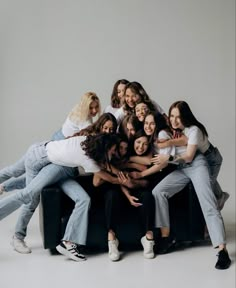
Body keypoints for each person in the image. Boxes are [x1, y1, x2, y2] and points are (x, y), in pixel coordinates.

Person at [0, 92, 102, 254]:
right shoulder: (83, 119)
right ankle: (18, 237)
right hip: (47, 154)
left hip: (53, 153)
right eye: (92, 107)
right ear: (85, 106)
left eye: (97, 107)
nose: (95, 111)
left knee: (21, 174)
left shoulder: (82, 115)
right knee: (31, 197)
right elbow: (89, 140)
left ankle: (4, 187)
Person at [0, 133, 121, 261]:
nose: (113, 154)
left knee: (83, 199)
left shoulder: (87, 141)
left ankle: (68, 242)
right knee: (29, 196)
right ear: (104, 147)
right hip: (38, 157)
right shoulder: (87, 159)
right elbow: (109, 178)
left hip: (56, 164)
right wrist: (125, 178)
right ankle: (17, 237)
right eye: (112, 151)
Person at [151, 101, 231, 270]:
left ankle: (222, 251)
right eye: (172, 116)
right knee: (158, 191)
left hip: (196, 164)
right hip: (181, 168)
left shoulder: (193, 130)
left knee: (207, 203)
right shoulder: (171, 130)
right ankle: (166, 237)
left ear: (185, 117)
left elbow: (188, 156)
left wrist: (169, 159)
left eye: (178, 117)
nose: (174, 120)